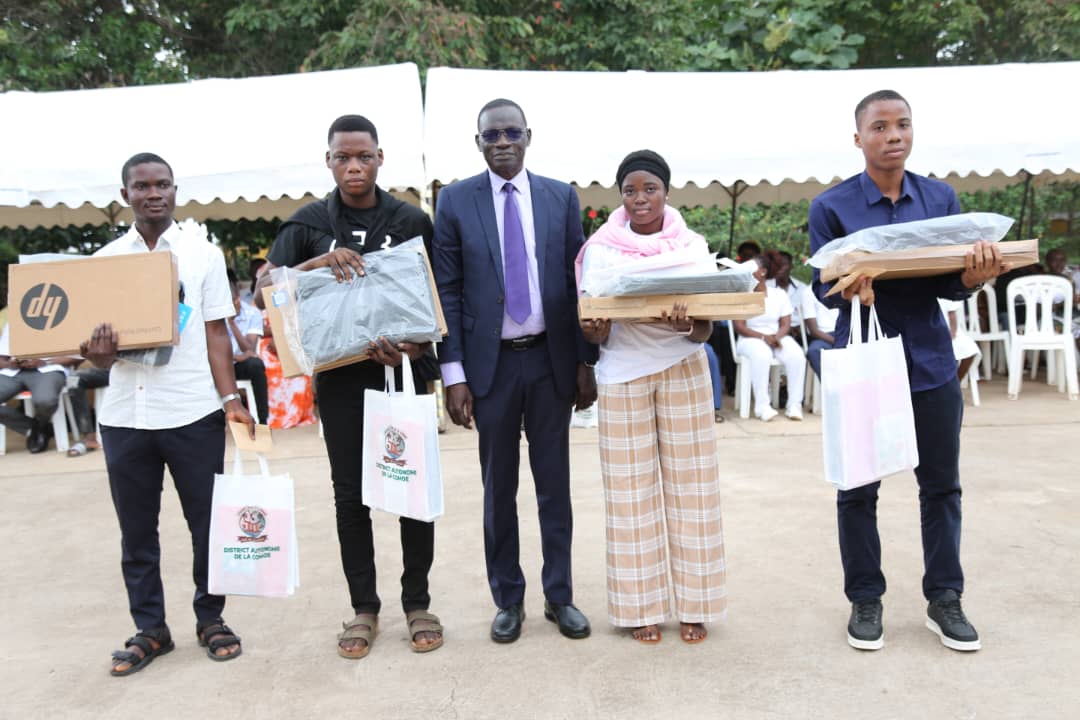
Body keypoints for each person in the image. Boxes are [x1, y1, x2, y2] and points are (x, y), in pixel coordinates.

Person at [809, 89, 1005, 653]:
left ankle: (945, 599)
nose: (893, 135)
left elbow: (947, 282)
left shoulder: (941, 198)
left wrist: (973, 277)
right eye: (880, 127)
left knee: (941, 488)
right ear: (858, 138)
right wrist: (851, 288)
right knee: (857, 488)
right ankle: (865, 599)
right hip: (866, 361)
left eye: (902, 124)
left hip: (930, 361)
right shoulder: (830, 207)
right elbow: (823, 289)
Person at [254, 115, 444, 658]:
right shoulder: (308, 223)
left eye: (363, 156)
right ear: (329, 161)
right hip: (340, 381)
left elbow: (434, 297)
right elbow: (266, 289)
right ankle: (364, 608)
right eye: (343, 157)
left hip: (401, 371)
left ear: (380, 158)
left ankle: (417, 603)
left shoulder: (409, 220)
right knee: (350, 495)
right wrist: (316, 263)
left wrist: (413, 350)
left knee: (411, 488)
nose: (354, 166)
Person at [80, 152, 255, 676]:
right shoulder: (105, 261)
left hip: (191, 410)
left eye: (162, 185)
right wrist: (98, 355)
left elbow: (217, 332)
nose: (153, 194)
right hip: (125, 415)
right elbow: (92, 350)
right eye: (142, 186)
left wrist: (230, 400)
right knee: (137, 532)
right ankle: (150, 629)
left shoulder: (203, 255)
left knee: (207, 525)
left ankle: (211, 618)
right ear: (125, 195)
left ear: (175, 190)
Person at [433, 98, 597, 644]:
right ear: (477, 142)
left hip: (550, 361)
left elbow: (576, 281)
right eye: (491, 135)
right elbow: (448, 290)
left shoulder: (559, 196)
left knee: (554, 487)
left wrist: (584, 360)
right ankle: (508, 599)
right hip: (491, 368)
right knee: (497, 490)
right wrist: (454, 374)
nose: (502, 143)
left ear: (528, 136)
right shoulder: (455, 201)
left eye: (511, 133)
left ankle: (560, 595)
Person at [577, 150, 726, 644]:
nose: (640, 199)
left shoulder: (691, 245)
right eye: (630, 191)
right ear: (620, 196)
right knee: (629, 494)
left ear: (666, 191)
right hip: (623, 375)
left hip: (683, 368)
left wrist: (686, 324)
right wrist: (596, 331)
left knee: (693, 490)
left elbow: (705, 328)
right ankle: (640, 608)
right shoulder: (602, 249)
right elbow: (594, 327)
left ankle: (695, 606)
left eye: (650, 189)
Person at [733, 251, 806, 422]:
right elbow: (740, 327)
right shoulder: (743, 295)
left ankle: (794, 405)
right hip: (750, 338)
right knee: (762, 354)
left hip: (776, 336)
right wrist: (764, 338)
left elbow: (786, 324)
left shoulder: (778, 294)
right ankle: (762, 407)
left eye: (751, 267)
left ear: (763, 272)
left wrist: (776, 338)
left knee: (797, 355)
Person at [0, 323, 79, 453]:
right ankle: (35, 428)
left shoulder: (65, 320)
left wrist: (46, 361)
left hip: (49, 369)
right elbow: (1, 359)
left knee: (45, 401)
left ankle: (39, 425)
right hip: (13, 372)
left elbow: (78, 356)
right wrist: (11, 364)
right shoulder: (14, 321)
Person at [225, 269, 268, 424]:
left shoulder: (252, 313)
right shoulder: (213, 315)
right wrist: (238, 357)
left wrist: (231, 323)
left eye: (234, 299)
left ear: (238, 297)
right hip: (220, 366)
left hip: (238, 367)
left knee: (256, 365)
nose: (234, 303)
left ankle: (262, 420)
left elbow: (249, 349)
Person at [767, 250, 807, 345]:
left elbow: (809, 315)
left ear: (791, 266)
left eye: (783, 265)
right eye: (777, 265)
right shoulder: (767, 287)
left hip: (800, 333)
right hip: (774, 332)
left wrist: (800, 328)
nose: (780, 268)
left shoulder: (803, 288)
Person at [802, 284, 839, 379]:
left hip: (844, 332)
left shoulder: (842, 284)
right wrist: (836, 341)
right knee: (813, 351)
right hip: (823, 337)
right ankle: (829, 384)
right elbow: (813, 330)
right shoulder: (808, 292)